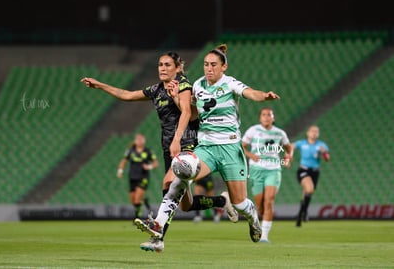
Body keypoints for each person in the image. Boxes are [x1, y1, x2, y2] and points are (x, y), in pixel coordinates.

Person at [81, 51, 237, 253]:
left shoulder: (183, 85)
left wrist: (177, 139)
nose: (162, 68)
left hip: (188, 143)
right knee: (185, 205)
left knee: (167, 182)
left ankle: (158, 236)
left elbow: (188, 113)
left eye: (167, 65)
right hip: (169, 148)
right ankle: (222, 201)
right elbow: (128, 95)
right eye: (160, 65)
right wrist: (100, 85)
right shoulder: (156, 90)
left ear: (177, 68)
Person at [134, 43, 281, 244]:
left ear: (223, 67)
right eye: (205, 64)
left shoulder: (230, 84)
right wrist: (177, 97)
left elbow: (251, 93)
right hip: (206, 149)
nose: (209, 68)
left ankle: (253, 218)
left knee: (239, 203)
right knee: (181, 174)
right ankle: (158, 225)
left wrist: (264, 96)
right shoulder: (198, 85)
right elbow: (194, 114)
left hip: (230, 149)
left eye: (213, 65)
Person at [242, 107, 293, 243]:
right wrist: (251, 155)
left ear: (273, 118)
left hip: (273, 169)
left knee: (269, 201)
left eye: (269, 115)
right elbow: (241, 146)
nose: (266, 117)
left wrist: (288, 158)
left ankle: (264, 236)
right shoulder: (253, 130)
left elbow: (289, 148)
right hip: (256, 169)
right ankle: (258, 223)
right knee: (260, 206)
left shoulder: (279, 133)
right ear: (260, 118)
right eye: (264, 115)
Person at [293, 125, 330, 227]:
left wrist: (324, 153)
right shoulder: (302, 143)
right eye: (312, 131)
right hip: (303, 170)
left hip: (315, 172)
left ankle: (301, 215)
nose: (314, 133)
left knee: (307, 194)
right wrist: (288, 157)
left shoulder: (321, 145)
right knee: (309, 189)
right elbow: (290, 147)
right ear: (308, 133)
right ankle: (303, 213)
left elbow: (327, 158)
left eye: (316, 131)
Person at [117, 133, 159, 219]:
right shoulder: (130, 151)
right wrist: (120, 171)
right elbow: (123, 161)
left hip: (143, 177)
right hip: (132, 177)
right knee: (133, 201)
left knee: (137, 200)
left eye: (141, 139)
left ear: (144, 141)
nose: (139, 141)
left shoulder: (148, 151)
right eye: (138, 139)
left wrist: (149, 167)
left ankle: (137, 218)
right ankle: (144, 202)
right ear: (135, 141)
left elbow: (155, 164)